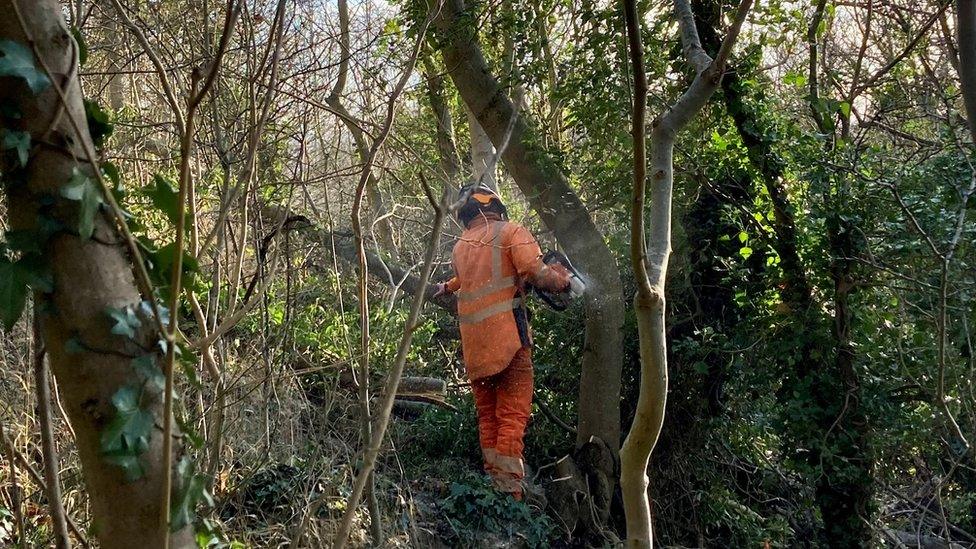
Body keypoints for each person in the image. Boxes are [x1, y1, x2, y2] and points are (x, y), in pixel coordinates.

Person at [432, 183, 580, 500]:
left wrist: (447, 286)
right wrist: (562, 279)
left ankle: (492, 479)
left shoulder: (460, 246)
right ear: (494, 205)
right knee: (512, 415)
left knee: (488, 415)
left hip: (476, 348)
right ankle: (509, 487)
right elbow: (536, 273)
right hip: (510, 342)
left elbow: (465, 279)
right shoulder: (511, 232)